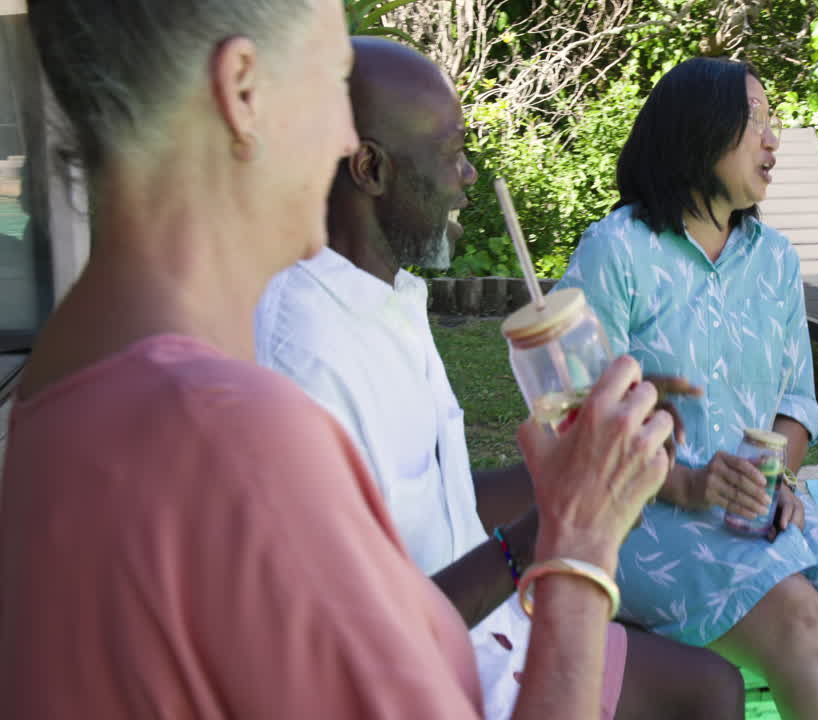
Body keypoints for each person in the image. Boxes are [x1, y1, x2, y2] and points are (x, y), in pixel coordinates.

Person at [0, 2, 674, 718]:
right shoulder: (232, 434)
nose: (349, 142)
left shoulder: (64, 390)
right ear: (245, 92)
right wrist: (579, 543)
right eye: (331, 80)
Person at [254, 37, 745, 720]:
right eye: (452, 151)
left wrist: (592, 462)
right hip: (424, 678)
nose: (470, 177)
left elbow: (439, 498)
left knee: (713, 689)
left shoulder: (381, 295)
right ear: (371, 167)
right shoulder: (300, 357)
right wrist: (559, 527)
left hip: (491, 631)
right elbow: (359, 642)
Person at [555, 56, 818, 720]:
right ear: (699, 131)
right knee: (799, 618)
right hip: (642, 518)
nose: (773, 140)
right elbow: (574, 415)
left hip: (752, 513)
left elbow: (796, 402)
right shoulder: (617, 251)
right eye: (756, 122)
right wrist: (689, 485)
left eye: (772, 123)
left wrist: (778, 479)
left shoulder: (774, 259)